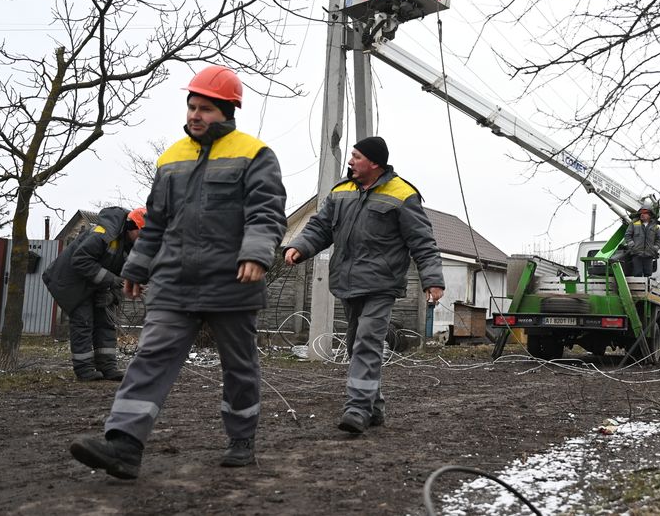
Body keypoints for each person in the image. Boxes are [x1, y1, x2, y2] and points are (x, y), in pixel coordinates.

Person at [69, 64, 287, 479]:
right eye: (191, 106)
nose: (195, 115)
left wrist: (257, 254)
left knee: (239, 367)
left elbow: (267, 212)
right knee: (150, 358)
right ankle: (123, 445)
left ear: (227, 110)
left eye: (205, 107)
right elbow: (156, 221)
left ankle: (241, 439)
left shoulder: (255, 154)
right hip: (174, 283)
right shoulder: (171, 158)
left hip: (232, 282)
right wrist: (136, 264)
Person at [283, 136, 444, 435]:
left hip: (382, 285)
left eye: (356, 156)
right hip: (347, 282)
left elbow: (423, 242)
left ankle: (356, 408)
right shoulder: (341, 192)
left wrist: (432, 279)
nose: (350, 161)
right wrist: (300, 247)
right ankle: (374, 407)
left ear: (374, 163)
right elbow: (320, 227)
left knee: (367, 342)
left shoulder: (402, 194)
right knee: (359, 345)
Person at [43, 205, 147, 381]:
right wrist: (112, 281)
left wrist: (115, 291)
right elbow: (81, 260)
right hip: (70, 281)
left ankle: (107, 367)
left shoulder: (132, 246)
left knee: (105, 321)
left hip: (95, 282)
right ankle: (84, 370)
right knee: (84, 321)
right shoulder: (104, 233)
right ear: (132, 227)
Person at [624, 204, 660, 278]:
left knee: (648, 274)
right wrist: (632, 245)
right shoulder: (634, 224)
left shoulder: (655, 226)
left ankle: (646, 289)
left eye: (644, 213)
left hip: (649, 255)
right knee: (637, 273)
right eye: (641, 213)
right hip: (636, 253)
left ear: (650, 215)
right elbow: (627, 235)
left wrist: (655, 248)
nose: (642, 215)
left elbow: (659, 239)